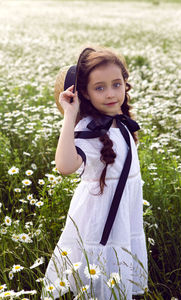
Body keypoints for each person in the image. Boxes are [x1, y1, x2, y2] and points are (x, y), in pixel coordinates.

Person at [42, 47, 148, 299]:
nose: (111, 94)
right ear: (85, 94)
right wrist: (70, 116)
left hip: (123, 210)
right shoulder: (87, 129)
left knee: (118, 262)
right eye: (99, 88)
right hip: (97, 215)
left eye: (116, 84)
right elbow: (65, 166)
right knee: (96, 268)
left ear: (125, 84)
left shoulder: (122, 121)